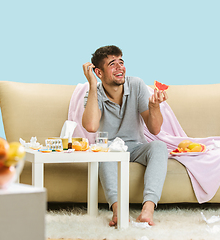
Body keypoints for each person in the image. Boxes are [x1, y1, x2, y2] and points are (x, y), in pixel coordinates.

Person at [82, 45, 168, 226]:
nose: (120, 67)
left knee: (159, 146)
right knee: (103, 152)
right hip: (110, 148)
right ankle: (118, 211)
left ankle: (148, 210)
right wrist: (91, 85)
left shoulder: (136, 85)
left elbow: (155, 130)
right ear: (99, 72)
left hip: (136, 146)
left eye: (121, 62)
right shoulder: (93, 93)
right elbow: (90, 126)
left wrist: (154, 107)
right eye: (112, 64)